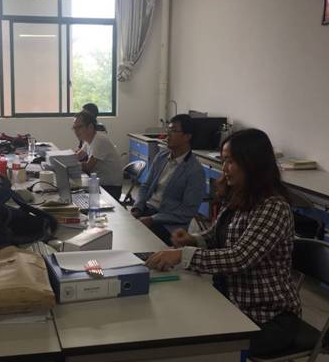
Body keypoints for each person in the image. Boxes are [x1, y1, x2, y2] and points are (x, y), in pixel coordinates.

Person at [146, 129, 301, 358]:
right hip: (231, 302)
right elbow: (217, 235)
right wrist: (193, 239)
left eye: (231, 162)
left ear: (252, 163)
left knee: (187, 343)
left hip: (267, 317)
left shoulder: (273, 207)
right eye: (223, 161)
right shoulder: (241, 196)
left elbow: (239, 258)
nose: (225, 169)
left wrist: (182, 255)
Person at [131, 114, 205, 245]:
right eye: (168, 130)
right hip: (148, 210)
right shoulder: (162, 156)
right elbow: (145, 186)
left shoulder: (195, 170)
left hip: (169, 223)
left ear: (187, 136)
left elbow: (187, 211)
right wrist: (137, 208)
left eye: (174, 131)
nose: (168, 135)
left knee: (137, 242)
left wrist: (153, 219)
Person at [73, 111, 122, 200]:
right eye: (74, 128)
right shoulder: (88, 139)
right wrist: (64, 159)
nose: (76, 131)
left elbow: (88, 167)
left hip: (110, 189)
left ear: (90, 127)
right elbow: (77, 156)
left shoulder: (99, 140)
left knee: (74, 195)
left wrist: (69, 164)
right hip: (97, 183)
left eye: (79, 127)